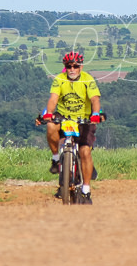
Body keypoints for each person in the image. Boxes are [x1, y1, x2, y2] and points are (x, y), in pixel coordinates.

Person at [35, 51, 105, 203]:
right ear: (65, 67)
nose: (72, 69)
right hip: (64, 117)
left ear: (81, 67)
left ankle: (86, 190)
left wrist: (95, 114)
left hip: (84, 119)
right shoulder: (59, 79)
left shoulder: (88, 79)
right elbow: (53, 98)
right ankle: (56, 159)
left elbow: (94, 99)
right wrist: (48, 114)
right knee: (51, 127)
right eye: (69, 66)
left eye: (75, 66)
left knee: (85, 151)